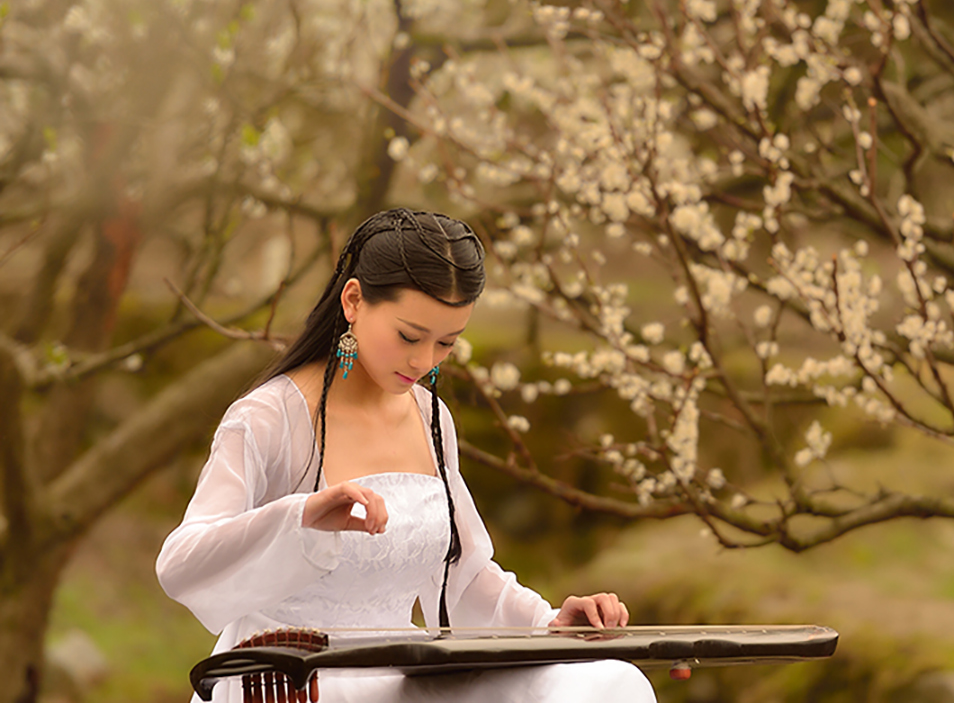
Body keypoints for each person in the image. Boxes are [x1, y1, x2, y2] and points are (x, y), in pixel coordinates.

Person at [157, 208, 658, 703]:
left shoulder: (430, 417)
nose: (424, 361)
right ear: (353, 300)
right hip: (292, 679)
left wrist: (549, 624)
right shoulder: (269, 417)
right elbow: (180, 563)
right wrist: (300, 518)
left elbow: (462, 574)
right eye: (409, 337)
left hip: (399, 670)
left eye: (446, 343)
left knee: (605, 683)